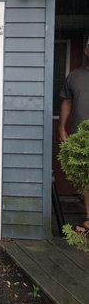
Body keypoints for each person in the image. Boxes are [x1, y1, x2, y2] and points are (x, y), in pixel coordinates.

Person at [58, 40, 89, 230]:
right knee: (87, 178)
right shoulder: (75, 76)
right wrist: (61, 127)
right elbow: (67, 102)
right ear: (86, 50)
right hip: (82, 138)